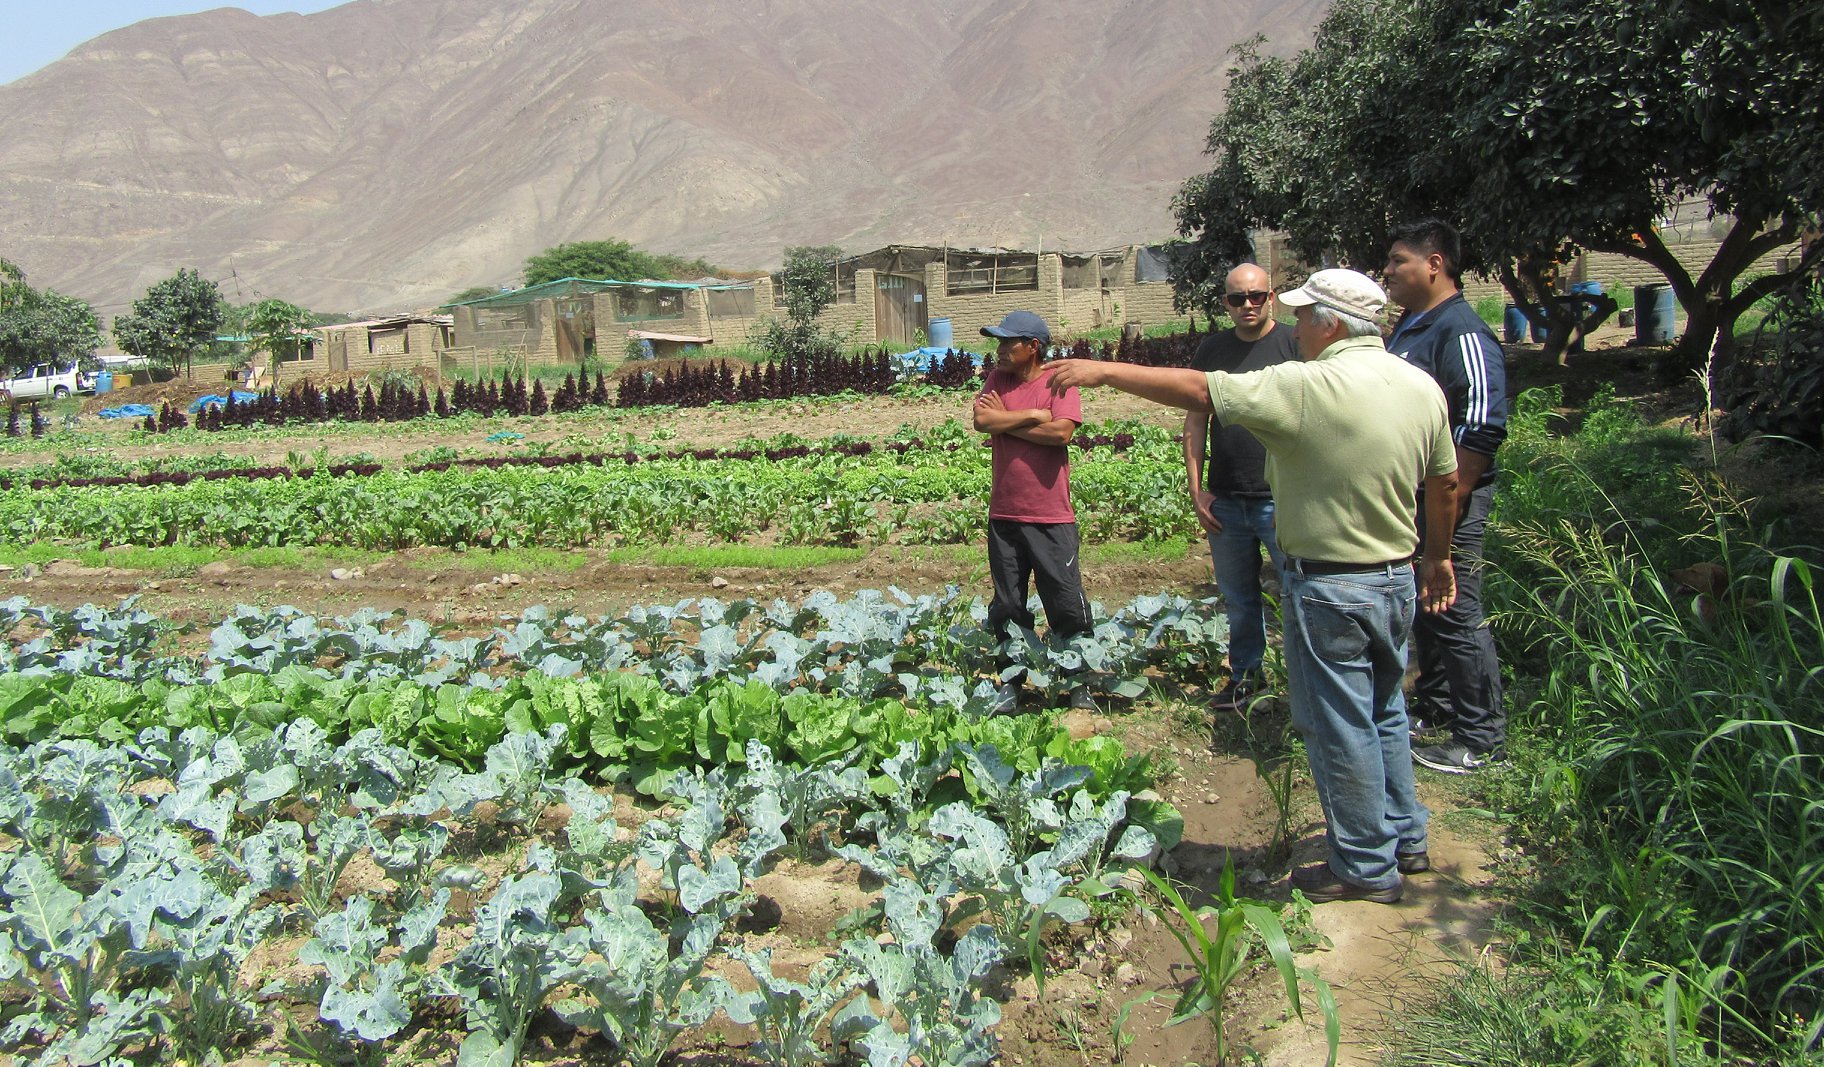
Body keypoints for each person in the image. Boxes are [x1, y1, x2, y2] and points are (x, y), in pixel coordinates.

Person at [1044, 269, 1459, 904]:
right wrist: (1437, 559)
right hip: (1396, 579)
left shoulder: (1307, 386)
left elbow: (1199, 390)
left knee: (1338, 722)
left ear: (1332, 322)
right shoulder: (1418, 385)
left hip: (1332, 587)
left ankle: (1366, 867)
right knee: (1386, 709)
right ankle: (1407, 837)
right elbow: (1445, 484)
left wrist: (1102, 371)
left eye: (1302, 316)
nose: (1294, 326)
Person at [1382, 219, 1509, 774]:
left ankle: (1482, 738)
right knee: (1428, 609)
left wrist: (1446, 512)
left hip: (1451, 499)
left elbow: (1479, 432)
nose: (1387, 272)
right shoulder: (1413, 326)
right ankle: (1436, 708)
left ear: (1433, 264)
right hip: (1415, 499)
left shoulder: (1463, 334)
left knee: (1456, 608)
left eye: (1396, 262)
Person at [1185, 263, 1300, 711]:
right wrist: (1196, 489)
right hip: (1227, 499)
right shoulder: (1214, 349)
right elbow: (1195, 420)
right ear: (1225, 303)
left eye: (1256, 296)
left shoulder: (1293, 343)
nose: (1247, 305)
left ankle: (1302, 686)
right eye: (1237, 299)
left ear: (1271, 297)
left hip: (1282, 498)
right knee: (1238, 599)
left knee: (1299, 594)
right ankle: (1246, 679)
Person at [971, 310, 1096, 714]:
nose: (1001, 350)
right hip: (1005, 513)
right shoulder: (996, 381)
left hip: (1050, 514)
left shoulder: (1058, 380)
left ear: (1034, 347)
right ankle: (1011, 681)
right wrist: (1033, 415)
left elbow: (1061, 432)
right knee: (1007, 603)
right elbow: (981, 421)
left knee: (1065, 600)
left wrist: (1004, 424)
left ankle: (1077, 681)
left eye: (1010, 343)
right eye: (999, 342)